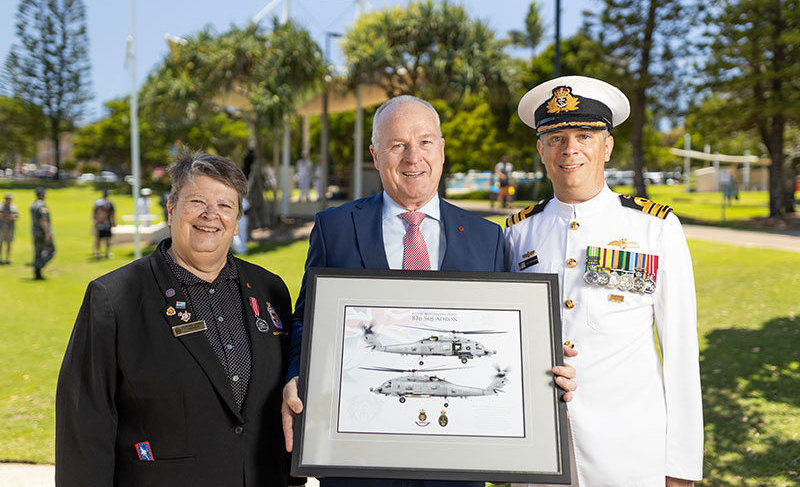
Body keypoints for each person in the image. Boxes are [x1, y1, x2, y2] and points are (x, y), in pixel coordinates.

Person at [281, 95, 578, 487]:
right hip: (358, 456)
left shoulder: (486, 237)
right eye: (397, 144)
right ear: (375, 154)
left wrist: (544, 367)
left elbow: (510, 338)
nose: (412, 157)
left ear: (441, 150)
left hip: (457, 464)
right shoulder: (334, 227)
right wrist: (297, 373)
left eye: (424, 142)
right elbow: (307, 318)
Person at [505, 76, 703, 486]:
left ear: (607, 146)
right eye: (556, 137)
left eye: (584, 135)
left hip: (629, 451)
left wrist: (680, 467)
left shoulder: (654, 228)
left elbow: (681, 349)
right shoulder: (517, 233)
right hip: (540, 449)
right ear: (541, 149)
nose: (570, 149)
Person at [56, 152, 294, 487]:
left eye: (225, 205)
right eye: (197, 201)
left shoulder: (272, 290)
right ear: (171, 209)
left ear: (237, 219)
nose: (211, 215)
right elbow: (84, 422)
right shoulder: (113, 298)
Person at [31, 187, 54, 280]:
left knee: (38, 253)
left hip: (35, 232)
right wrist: (47, 233)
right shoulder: (42, 206)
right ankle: (39, 265)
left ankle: (37, 273)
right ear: (41, 195)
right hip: (42, 233)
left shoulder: (33, 205)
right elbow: (43, 220)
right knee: (51, 251)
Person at [93, 189, 116, 258]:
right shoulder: (109, 203)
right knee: (107, 238)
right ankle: (107, 253)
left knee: (98, 239)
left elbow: (94, 213)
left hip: (99, 223)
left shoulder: (98, 202)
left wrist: (95, 221)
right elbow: (112, 213)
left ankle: (98, 253)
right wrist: (113, 221)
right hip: (106, 223)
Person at [0, 193, 19, 264]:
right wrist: (9, 217)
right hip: (1, 227)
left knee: (9, 243)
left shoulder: (13, 207)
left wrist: (6, 216)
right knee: (0, 243)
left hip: (11, 227)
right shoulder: (1, 206)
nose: (10, 201)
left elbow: (16, 216)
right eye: (9, 199)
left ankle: (8, 258)